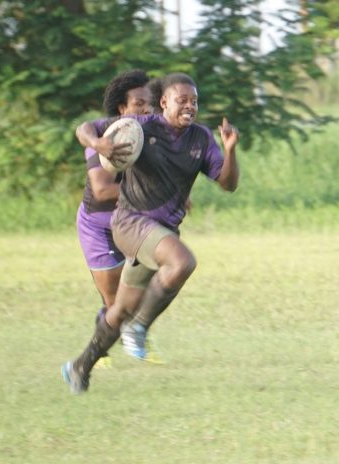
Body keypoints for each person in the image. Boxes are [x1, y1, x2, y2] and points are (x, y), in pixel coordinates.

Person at [62, 72, 240, 394]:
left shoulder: (200, 139)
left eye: (194, 101)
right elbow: (84, 128)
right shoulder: (141, 127)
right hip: (130, 223)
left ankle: (80, 366)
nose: (189, 106)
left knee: (121, 309)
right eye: (182, 100)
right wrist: (97, 142)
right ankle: (140, 328)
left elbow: (228, 184)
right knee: (182, 262)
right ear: (164, 103)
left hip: (161, 229)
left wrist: (229, 150)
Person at [76, 69, 152, 368]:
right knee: (114, 301)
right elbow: (103, 189)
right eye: (139, 103)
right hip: (97, 226)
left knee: (139, 289)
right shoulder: (107, 135)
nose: (147, 109)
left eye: (151, 103)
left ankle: (128, 335)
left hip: (129, 222)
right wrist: (96, 144)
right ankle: (101, 350)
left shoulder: (151, 132)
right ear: (122, 108)